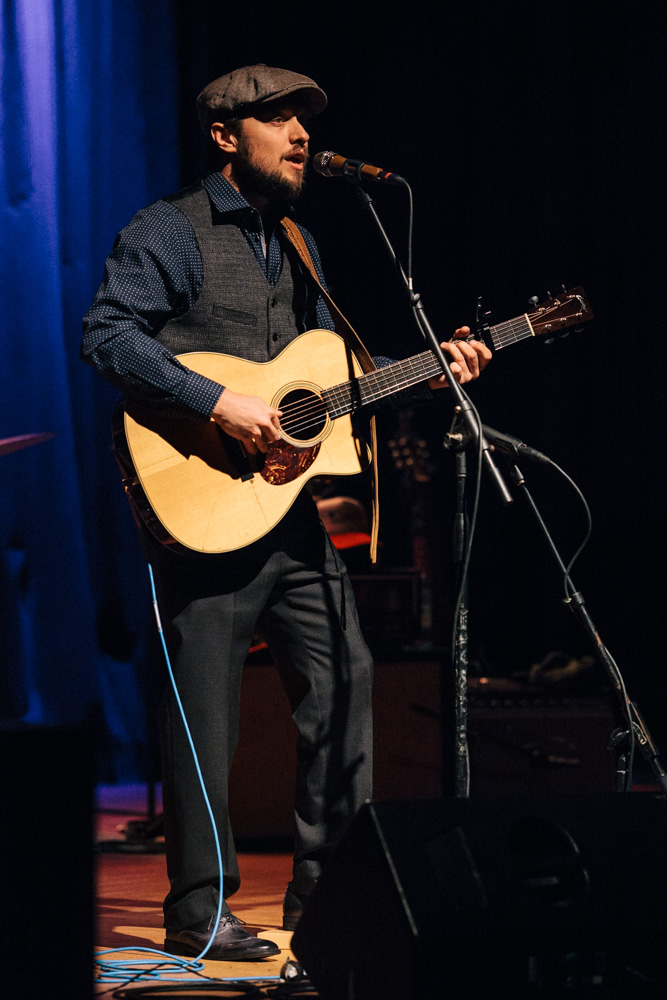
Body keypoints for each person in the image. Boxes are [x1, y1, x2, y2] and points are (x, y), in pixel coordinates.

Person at [81, 64, 492, 962]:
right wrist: (218, 402)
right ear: (226, 136)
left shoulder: (299, 240)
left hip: (292, 515)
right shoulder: (171, 228)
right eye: (278, 117)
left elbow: (324, 379)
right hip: (204, 506)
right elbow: (106, 334)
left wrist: (431, 369)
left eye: (305, 119)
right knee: (207, 719)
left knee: (346, 683)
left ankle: (327, 896)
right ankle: (199, 911)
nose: (301, 134)